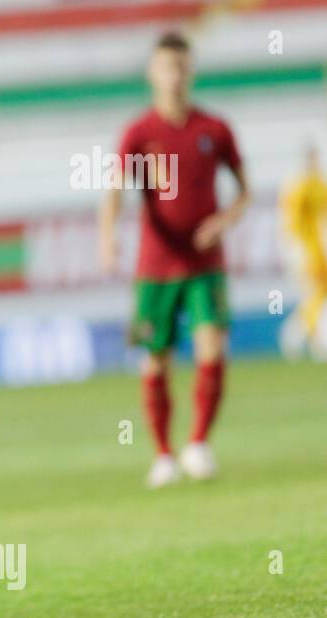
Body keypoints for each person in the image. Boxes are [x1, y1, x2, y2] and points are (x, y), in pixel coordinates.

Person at [98, 30, 250, 488]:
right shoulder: (139, 133)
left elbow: (245, 192)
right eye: (167, 67)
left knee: (211, 348)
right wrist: (108, 237)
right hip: (155, 268)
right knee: (155, 360)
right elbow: (115, 191)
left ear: (192, 70)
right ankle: (163, 454)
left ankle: (199, 442)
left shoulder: (214, 130)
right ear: (152, 73)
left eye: (182, 67)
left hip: (205, 265)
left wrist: (223, 221)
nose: (175, 76)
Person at [278, 144, 327, 358]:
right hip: (306, 251)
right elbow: (291, 223)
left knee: (317, 295)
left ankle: (297, 334)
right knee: (316, 294)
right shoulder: (298, 186)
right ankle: (309, 338)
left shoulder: (319, 183)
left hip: (320, 250)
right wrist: (295, 252)